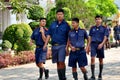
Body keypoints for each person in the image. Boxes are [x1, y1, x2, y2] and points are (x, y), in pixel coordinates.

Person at [43, 9, 71, 80]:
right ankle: (60, 77)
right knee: (57, 62)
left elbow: (69, 36)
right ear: (56, 15)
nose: (59, 16)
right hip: (54, 46)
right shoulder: (53, 24)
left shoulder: (66, 25)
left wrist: (67, 47)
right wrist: (45, 44)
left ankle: (63, 77)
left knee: (61, 61)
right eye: (58, 14)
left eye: (61, 14)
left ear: (63, 15)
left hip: (62, 45)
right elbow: (49, 35)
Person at [88, 15, 109, 80]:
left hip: (100, 44)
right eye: (96, 19)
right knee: (92, 58)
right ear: (95, 20)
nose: (97, 20)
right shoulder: (92, 28)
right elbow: (90, 37)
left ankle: (100, 75)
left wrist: (102, 44)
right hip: (93, 44)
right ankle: (93, 75)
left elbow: (105, 37)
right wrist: (88, 46)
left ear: (101, 20)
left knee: (100, 59)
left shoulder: (104, 28)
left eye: (99, 19)